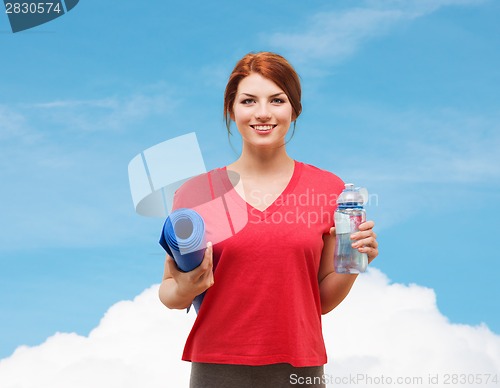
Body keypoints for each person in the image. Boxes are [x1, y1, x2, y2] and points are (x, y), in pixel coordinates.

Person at [158, 51, 379, 388]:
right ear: (232, 110)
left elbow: (318, 302)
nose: (263, 113)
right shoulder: (196, 193)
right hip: (217, 368)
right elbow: (169, 293)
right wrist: (187, 287)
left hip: (298, 369)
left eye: (277, 100)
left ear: (294, 109)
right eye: (249, 101)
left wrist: (354, 262)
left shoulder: (328, 189)